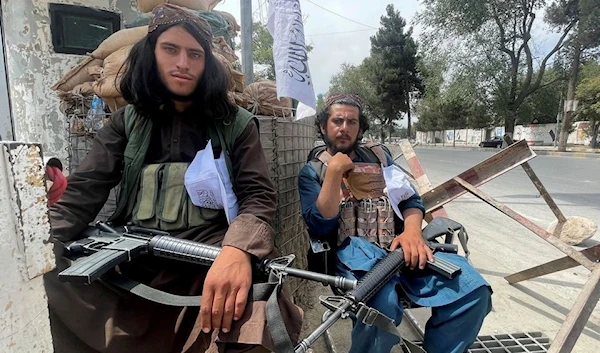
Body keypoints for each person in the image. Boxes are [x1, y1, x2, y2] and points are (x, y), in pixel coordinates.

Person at [44, 4, 302, 353]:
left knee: (262, 303)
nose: (183, 63)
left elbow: (258, 197)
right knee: (47, 275)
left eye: (194, 54)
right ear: (151, 55)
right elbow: (80, 197)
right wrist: (38, 251)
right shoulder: (126, 122)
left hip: (208, 263)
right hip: (135, 264)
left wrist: (238, 251)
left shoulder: (237, 124)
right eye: (171, 49)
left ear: (207, 63)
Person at [298, 93, 492, 353]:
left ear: (361, 127)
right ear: (324, 126)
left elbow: (411, 201)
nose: (344, 128)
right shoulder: (313, 172)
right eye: (337, 121)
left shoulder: (380, 158)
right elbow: (321, 227)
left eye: (352, 122)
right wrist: (334, 172)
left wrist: (413, 233)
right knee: (382, 307)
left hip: (401, 249)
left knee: (473, 291)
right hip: (354, 259)